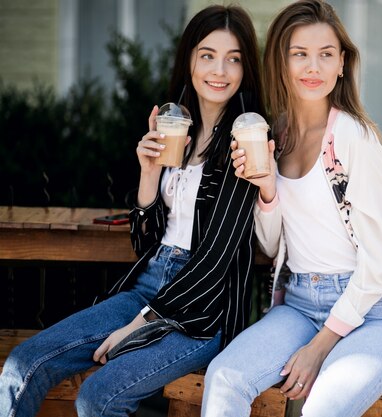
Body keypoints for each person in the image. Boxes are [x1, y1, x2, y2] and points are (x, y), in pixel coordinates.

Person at [0, 5, 265, 417]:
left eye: (234, 59)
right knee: (23, 365)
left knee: (98, 397)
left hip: (199, 312)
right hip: (147, 285)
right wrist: (147, 176)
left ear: (246, 69)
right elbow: (144, 242)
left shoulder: (245, 140)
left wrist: (140, 323)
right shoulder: (178, 129)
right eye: (208, 55)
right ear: (190, 61)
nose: (220, 70)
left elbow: (215, 260)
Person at [201, 1, 382, 416]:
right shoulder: (276, 134)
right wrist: (267, 190)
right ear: (282, 62)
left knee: (319, 409)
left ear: (342, 64)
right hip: (300, 304)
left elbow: (379, 261)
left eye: (326, 54)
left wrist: (319, 347)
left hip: (374, 314)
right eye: (299, 53)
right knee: (225, 377)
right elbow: (270, 245)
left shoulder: (355, 137)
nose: (313, 66)